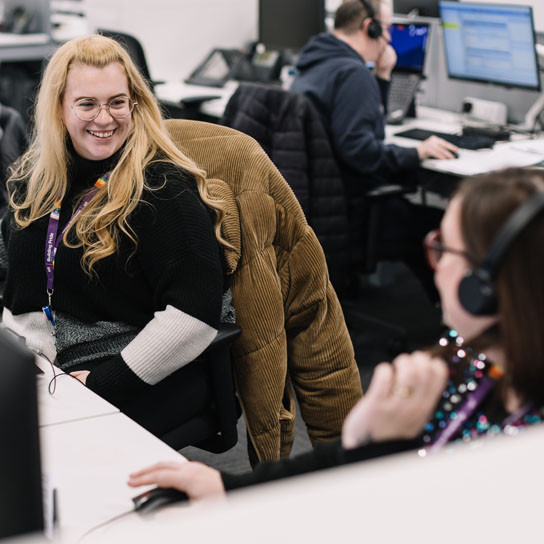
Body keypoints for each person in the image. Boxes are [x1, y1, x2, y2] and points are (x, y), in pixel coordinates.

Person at [128, 167, 544, 499]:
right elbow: (338, 469)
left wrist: (378, 445)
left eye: (443, 248)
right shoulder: (464, 365)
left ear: (486, 285)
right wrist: (228, 488)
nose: (433, 264)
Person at [0, 35, 230, 424]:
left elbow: (194, 313)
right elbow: (25, 289)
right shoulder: (36, 180)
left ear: (134, 103)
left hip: (136, 367)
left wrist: (104, 384)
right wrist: (32, 366)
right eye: (87, 104)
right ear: (59, 108)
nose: (104, 119)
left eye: (117, 102)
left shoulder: (159, 188)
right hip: (56, 365)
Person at [290, 0, 458, 297]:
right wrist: (416, 153)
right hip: (351, 209)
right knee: (436, 225)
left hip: (319, 203)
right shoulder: (352, 73)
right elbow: (363, 152)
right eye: (388, 28)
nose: (390, 38)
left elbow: (368, 133)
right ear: (371, 27)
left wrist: (380, 77)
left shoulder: (314, 61)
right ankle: (445, 317)